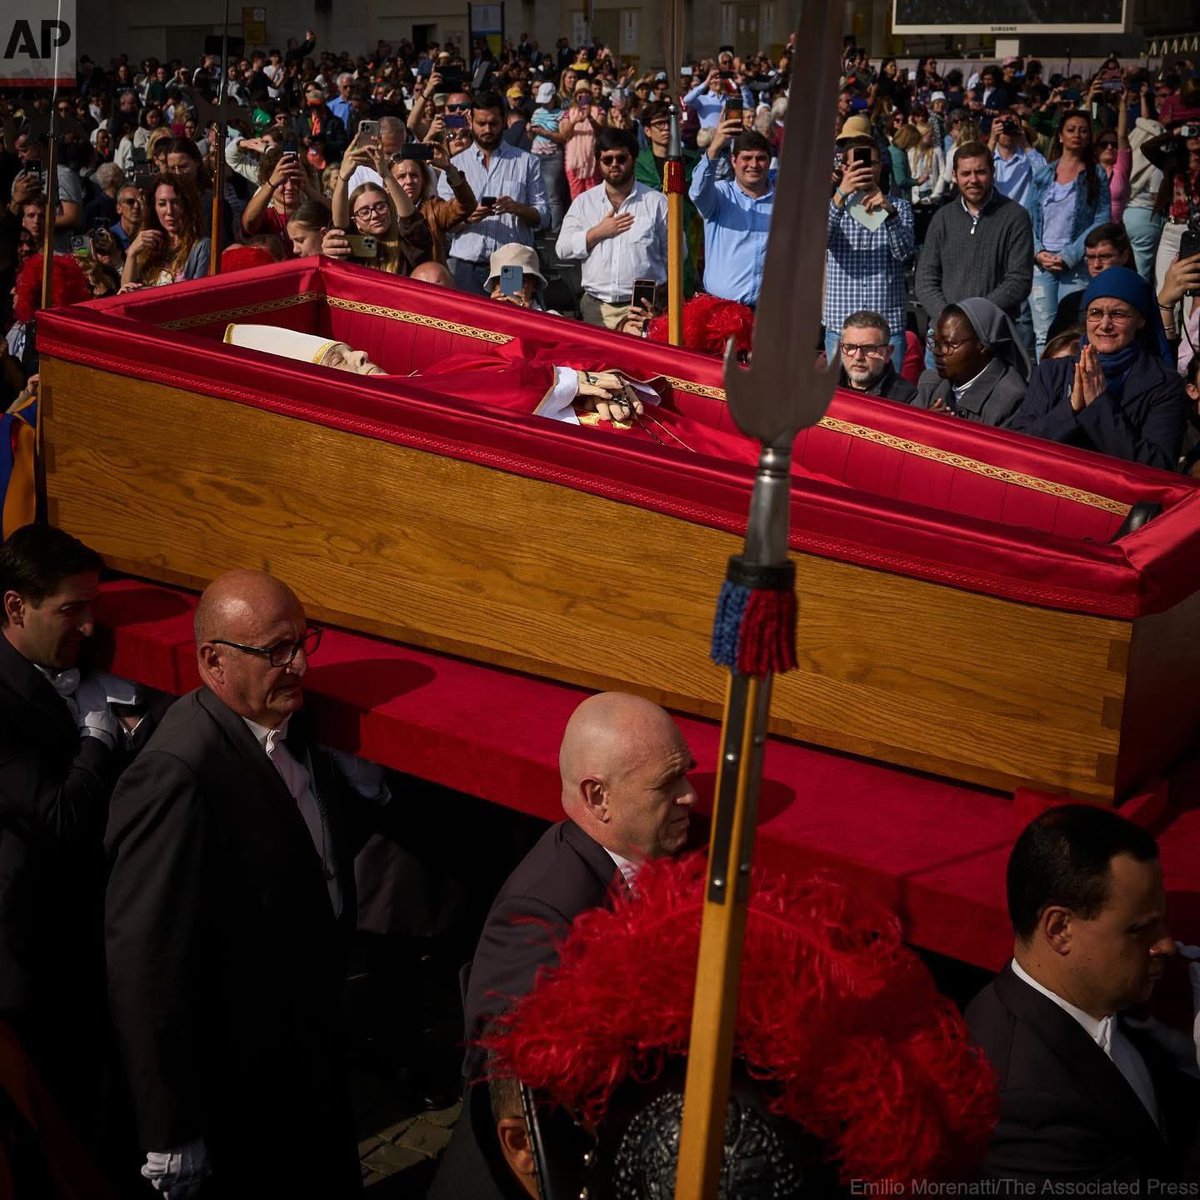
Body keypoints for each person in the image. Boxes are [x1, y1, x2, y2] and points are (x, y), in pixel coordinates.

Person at [106, 569, 380, 1198]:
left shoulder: (291, 725)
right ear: (213, 662)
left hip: (308, 1053)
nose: (300, 667)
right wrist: (168, 1128)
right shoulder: (177, 773)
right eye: (276, 652)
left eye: (304, 643)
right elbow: (145, 960)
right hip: (243, 1084)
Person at [459, 691, 697, 1083]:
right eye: (668, 783)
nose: (691, 795)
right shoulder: (540, 915)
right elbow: (503, 1081)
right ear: (598, 797)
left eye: (687, 773)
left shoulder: (644, 854)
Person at [966, 804, 1200, 1184]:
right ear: (1060, 929)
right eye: (1141, 929)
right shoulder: (1026, 1106)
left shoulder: (1097, 990)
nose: (1168, 945)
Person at [1009, 266, 1186, 471]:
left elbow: (1157, 467)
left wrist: (1099, 405)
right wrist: (1071, 407)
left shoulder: (1163, 384)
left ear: (1140, 320)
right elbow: (1018, 445)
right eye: (1095, 313)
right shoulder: (1051, 373)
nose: (1104, 324)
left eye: (1118, 314)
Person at [915, 142, 1034, 341]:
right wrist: (949, 318)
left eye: (980, 172)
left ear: (992, 172)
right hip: (943, 335)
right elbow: (925, 279)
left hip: (992, 336)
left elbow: (1018, 280)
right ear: (955, 175)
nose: (973, 180)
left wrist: (972, 316)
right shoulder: (942, 218)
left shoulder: (1015, 217)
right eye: (966, 173)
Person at [438, 91, 549, 296]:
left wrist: (516, 208)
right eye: (481, 123)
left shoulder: (526, 161)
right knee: (468, 325)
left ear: (504, 121)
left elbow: (543, 217)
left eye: (493, 123)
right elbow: (442, 222)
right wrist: (467, 217)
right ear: (470, 120)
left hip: (511, 266)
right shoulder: (454, 165)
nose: (487, 129)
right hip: (468, 266)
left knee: (509, 323)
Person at [556, 127, 667, 330]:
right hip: (595, 309)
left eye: (621, 159)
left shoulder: (657, 202)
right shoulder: (584, 202)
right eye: (607, 160)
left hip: (641, 308)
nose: (614, 165)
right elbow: (562, 249)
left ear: (633, 159)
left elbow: (676, 255)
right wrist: (597, 233)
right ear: (599, 162)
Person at [825, 129, 914, 369]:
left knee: (886, 401)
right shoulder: (830, 206)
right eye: (856, 164)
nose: (865, 169)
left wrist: (889, 214)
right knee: (838, 400)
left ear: (880, 167)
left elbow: (905, 254)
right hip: (840, 326)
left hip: (886, 328)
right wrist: (840, 195)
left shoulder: (900, 207)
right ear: (844, 168)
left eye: (871, 163)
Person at [1028, 111, 1112, 357]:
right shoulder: (1044, 174)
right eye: (1071, 129)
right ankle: (1045, 388)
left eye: (1083, 130)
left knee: (1074, 331)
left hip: (1076, 266)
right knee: (1044, 334)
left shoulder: (1096, 175)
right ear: (1061, 136)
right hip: (1042, 266)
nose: (1077, 134)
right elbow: (1029, 217)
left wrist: (1070, 255)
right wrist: (1038, 252)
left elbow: (1101, 219)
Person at [690, 119, 776, 308]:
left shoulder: (782, 203)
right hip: (722, 309)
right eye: (746, 158)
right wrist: (715, 147)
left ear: (769, 162)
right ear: (734, 160)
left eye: (760, 158)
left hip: (768, 312)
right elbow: (696, 192)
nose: (754, 164)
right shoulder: (720, 195)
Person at [914, 298, 1031, 426]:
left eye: (949, 344)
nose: (937, 352)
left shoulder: (1010, 399)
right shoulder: (930, 385)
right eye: (935, 343)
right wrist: (923, 424)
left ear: (982, 345)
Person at [333, 135, 432, 276]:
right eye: (365, 212)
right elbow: (339, 228)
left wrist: (386, 174)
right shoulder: (353, 247)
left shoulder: (408, 244)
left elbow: (411, 220)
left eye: (380, 206)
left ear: (391, 209)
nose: (375, 214)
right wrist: (343, 177)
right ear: (356, 222)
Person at [635, 99, 703, 296]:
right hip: (650, 231)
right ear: (647, 131)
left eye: (669, 123)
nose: (666, 128)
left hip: (686, 228)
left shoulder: (691, 160)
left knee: (684, 285)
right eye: (659, 124)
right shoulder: (638, 164)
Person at [390, 142, 476, 266]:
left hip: (428, 280)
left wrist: (449, 168)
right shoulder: (382, 211)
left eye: (414, 175)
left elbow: (467, 205)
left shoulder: (434, 209)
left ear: (423, 180)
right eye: (401, 176)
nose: (409, 181)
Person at [119, 172, 211, 288]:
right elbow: (125, 292)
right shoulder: (147, 244)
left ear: (187, 205)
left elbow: (198, 294)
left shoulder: (201, 246)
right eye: (162, 204)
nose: (169, 211)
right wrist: (132, 253)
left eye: (176, 203)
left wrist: (145, 291)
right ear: (154, 208)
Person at [1046, 222, 1135, 341]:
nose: (1096, 265)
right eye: (1091, 258)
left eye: (1105, 257)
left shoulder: (1140, 299)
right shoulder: (1072, 304)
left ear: (1124, 256)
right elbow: (1055, 348)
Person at [836, 310, 917, 402]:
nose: (858, 357)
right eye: (850, 347)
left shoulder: (906, 398)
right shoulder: (822, 386)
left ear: (888, 353)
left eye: (869, 348)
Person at [557, 79, 605, 200]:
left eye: (586, 93)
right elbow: (564, 135)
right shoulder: (568, 113)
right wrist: (574, 122)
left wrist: (590, 117)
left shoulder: (599, 110)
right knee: (576, 197)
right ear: (575, 96)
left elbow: (601, 132)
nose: (583, 96)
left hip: (593, 161)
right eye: (580, 94)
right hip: (574, 162)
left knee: (594, 197)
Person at [990, 111, 1047, 210]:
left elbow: (1044, 174)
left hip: (1021, 215)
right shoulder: (989, 156)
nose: (1008, 128)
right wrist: (992, 139)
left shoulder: (1028, 158)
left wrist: (1025, 143)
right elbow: (977, 167)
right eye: (1003, 124)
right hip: (994, 214)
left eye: (1013, 124)